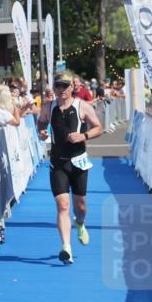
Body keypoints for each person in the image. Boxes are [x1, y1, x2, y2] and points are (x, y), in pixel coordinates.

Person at [37, 72, 102, 264]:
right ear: (54, 88)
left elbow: (98, 127)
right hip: (57, 162)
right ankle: (66, 247)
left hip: (78, 162)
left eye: (65, 86)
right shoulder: (49, 106)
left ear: (72, 88)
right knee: (63, 205)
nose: (62, 90)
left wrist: (84, 136)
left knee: (80, 206)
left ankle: (80, 223)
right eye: (58, 86)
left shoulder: (83, 106)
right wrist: (41, 130)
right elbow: (41, 121)